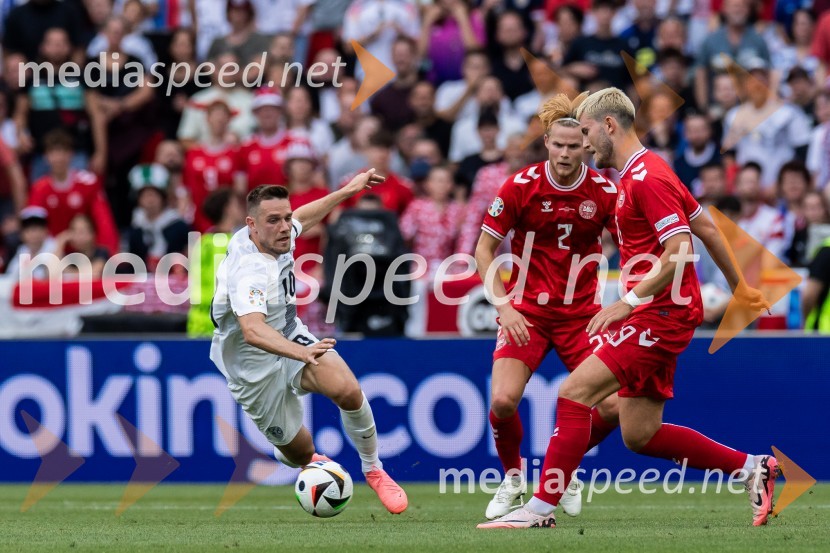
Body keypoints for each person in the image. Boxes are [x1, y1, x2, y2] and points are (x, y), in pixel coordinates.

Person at [479, 87, 776, 530]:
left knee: (573, 394)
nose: (582, 143)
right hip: (656, 312)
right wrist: (741, 290)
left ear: (608, 126)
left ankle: (539, 507)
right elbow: (709, 230)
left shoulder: (644, 178)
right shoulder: (647, 171)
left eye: (585, 132)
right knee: (641, 434)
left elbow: (679, 250)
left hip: (659, 313)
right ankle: (752, 468)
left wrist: (627, 302)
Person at [208, 171, 408, 514]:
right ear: (251, 225)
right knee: (300, 453)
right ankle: (294, 454)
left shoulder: (274, 234)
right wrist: (302, 352)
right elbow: (253, 331)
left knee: (347, 390)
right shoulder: (249, 269)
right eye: (275, 220)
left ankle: (374, 469)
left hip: (287, 334)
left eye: (285, 217)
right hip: (252, 366)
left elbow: (303, 216)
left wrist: (347, 191)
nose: (286, 227)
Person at [474, 93, 622, 521]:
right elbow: (484, 249)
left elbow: (631, 246)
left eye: (574, 146)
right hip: (528, 312)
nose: (565, 153)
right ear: (546, 143)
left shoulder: (604, 191)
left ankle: (562, 468)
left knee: (613, 409)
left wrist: (627, 298)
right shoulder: (520, 186)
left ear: (586, 146)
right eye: (558, 145)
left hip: (581, 316)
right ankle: (513, 478)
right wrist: (505, 307)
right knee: (502, 401)